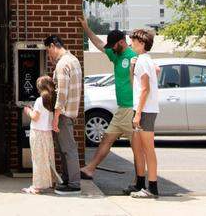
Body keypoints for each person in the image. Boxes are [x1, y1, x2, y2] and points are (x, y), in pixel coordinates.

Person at [79, 19, 139, 184]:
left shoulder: (133, 57)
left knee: (137, 148)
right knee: (107, 138)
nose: (111, 48)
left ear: (122, 42)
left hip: (131, 108)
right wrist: (86, 28)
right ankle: (90, 169)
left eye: (114, 45)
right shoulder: (116, 54)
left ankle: (139, 180)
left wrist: (138, 110)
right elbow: (99, 43)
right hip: (122, 109)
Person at [45, 34, 83, 196]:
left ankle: (73, 184)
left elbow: (61, 93)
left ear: (53, 45)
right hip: (71, 112)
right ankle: (67, 180)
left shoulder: (62, 64)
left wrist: (55, 117)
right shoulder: (73, 60)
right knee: (66, 148)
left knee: (67, 149)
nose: (49, 55)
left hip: (63, 113)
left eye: (48, 51)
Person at [128, 29, 160, 199]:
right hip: (145, 108)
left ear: (141, 43)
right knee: (140, 148)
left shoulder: (142, 61)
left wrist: (138, 113)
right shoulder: (145, 60)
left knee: (148, 149)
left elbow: (145, 88)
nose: (131, 43)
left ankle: (152, 187)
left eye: (133, 41)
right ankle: (142, 184)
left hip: (145, 110)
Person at [22, 75, 58, 194]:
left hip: (37, 132)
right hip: (47, 133)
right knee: (49, 158)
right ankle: (52, 181)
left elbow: (35, 117)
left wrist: (28, 110)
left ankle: (36, 186)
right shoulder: (53, 99)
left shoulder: (39, 100)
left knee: (38, 159)